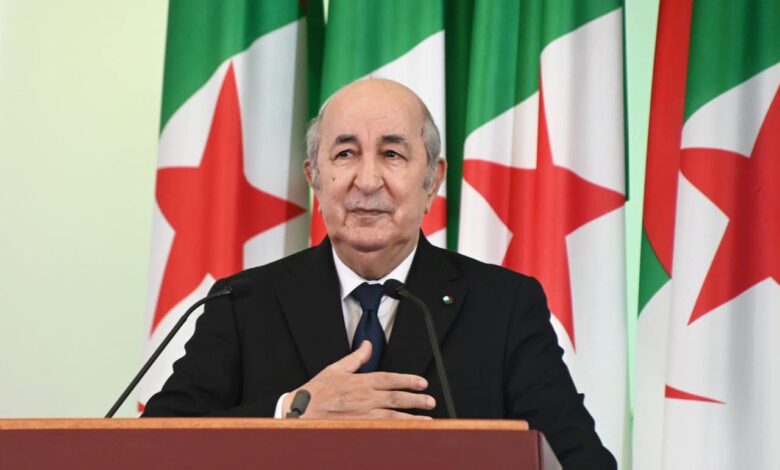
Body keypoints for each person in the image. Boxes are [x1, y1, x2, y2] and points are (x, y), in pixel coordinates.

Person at [143, 79, 616, 468]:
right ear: (314, 178)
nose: (367, 181)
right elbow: (155, 447)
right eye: (345, 154)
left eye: (392, 154)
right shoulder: (243, 302)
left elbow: (580, 461)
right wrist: (290, 412)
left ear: (432, 180)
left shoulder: (503, 305)